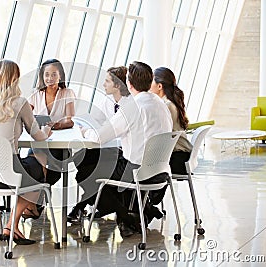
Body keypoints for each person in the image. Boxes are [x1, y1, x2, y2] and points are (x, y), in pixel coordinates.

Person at [81, 61, 173, 238]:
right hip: (161, 171)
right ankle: (137, 213)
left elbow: (99, 137)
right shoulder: (160, 104)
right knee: (109, 165)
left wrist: (85, 132)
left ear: (129, 84)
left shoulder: (132, 108)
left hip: (138, 172)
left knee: (87, 172)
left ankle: (127, 218)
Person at [0, 59, 51, 245]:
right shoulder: (19, 102)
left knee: (28, 168)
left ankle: (20, 218)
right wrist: (47, 131)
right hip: (8, 174)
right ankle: (11, 224)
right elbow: (38, 137)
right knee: (40, 161)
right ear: (15, 78)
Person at [68, 66, 132, 223]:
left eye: (107, 81)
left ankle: (91, 205)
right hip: (109, 147)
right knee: (81, 158)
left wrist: (87, 132)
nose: (103, 84)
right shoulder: (108, 100)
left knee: (85, 174)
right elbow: (95, 120)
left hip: (124, 153)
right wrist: (85, 126)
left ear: (117, 85)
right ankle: (104, 204)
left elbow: (109, 131)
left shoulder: (130, 105)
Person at [28, 59, 75, 186]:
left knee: (54, 172)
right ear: (42, 76)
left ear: (60, 75)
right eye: (47, 74)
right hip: (39, 141)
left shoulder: (67, 93)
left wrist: (58, 125)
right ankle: (39, 196)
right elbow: (26, 116)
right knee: (34, 166)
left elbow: (70, 120)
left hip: (58, 144)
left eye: (54, 74)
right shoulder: (35, 94)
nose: (50, 78)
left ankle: (42, 191)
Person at [150, 67, 193, 174]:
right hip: (182, 157)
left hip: (177, 160)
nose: (148, 86)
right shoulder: (171, 102)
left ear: (159, 86)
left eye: (151, 82)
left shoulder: (166, 105)